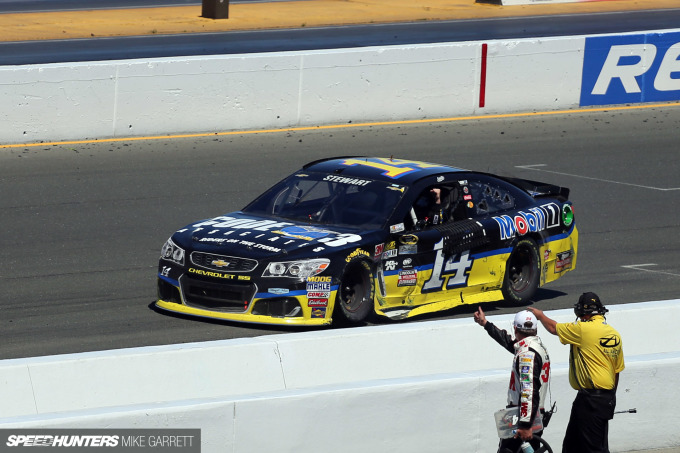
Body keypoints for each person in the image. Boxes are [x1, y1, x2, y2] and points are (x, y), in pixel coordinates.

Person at [528, 292, 624, 453]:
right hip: (603, 398)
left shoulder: (583, 329)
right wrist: (610, 398)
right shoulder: (614, 334)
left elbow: (553, 328)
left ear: (582, 312)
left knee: (592, 449)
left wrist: (540, 315)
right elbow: (617, 371)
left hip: (590, 400)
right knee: (573, 446)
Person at [474, 307, 551, 453]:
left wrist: (525, 424)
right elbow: (510, 342)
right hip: (533, 415)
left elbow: (528, 391)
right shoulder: (535, 346)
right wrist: (486, 324)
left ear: (515, 328)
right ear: (535, 329)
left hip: (523, 417)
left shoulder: (527, 354)